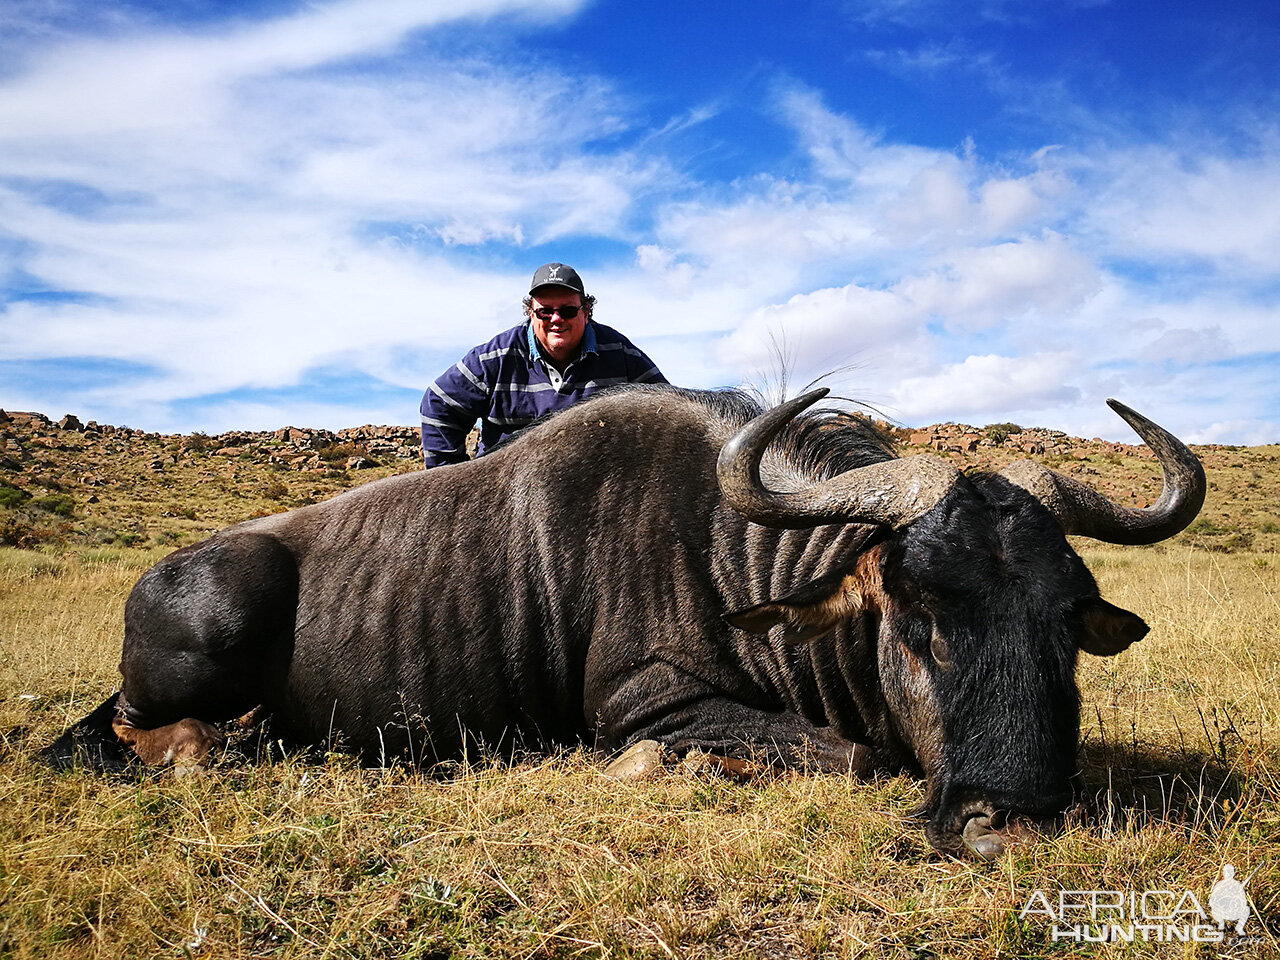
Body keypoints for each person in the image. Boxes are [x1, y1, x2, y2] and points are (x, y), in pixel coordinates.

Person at [419, 262, 668, 467]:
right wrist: (456, 485)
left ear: (586, 311)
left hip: (595, 498)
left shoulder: (620, 353)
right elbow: (438, 403)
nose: (556, 319)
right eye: (545, 312)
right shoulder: (494, 357)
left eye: (568, 311)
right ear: (530, 313)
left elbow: (668, 410)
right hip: (505, 499)